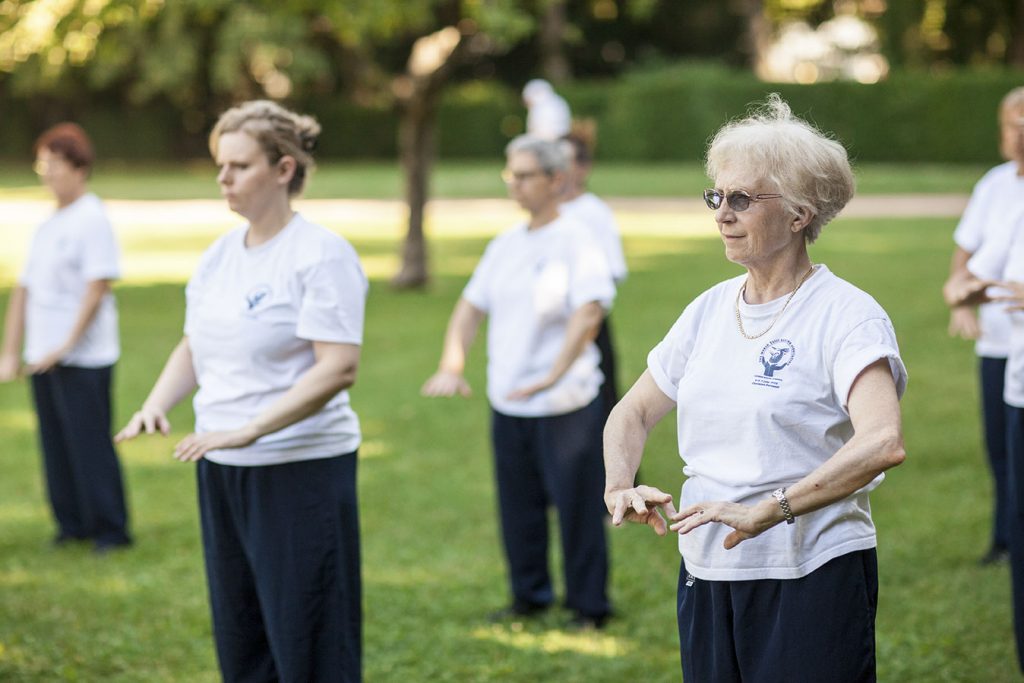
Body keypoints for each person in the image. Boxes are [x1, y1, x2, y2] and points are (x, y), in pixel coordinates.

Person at [603, 95, 907, 681]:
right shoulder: (708, 310)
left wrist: (770, 511)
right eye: (715, 196)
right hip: (707, 570)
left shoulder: (848, 315)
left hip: (810, 572)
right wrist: (620, 484)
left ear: (798, 215)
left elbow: (882, 442)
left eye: (741, 199)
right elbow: (634, 411)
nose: (721, 212)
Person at [114, 100, 367, 682]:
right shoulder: (219, 257)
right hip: (222, 463)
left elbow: (338, 368)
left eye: (239, 165)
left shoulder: (321, 254)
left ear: (283, 170)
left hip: (298, 468)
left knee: (309, 636)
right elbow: (194, 345)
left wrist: (252, 428)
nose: (223, 179)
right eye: (219, 166)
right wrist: (157, 403)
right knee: (241, 629)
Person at [422, 135, 615, 629]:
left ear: (556, 179)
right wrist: (451, 363)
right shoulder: (506, 244)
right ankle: (529, 596)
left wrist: (553, 373)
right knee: (519, 509)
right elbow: (470, 305)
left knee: (576, 511)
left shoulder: (577, 239)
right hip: (509, 403)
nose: (515, 184)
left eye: (526, 175)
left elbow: (589, 310)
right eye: (511, 173)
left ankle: (589, 606)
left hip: (565, 403)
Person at [0, 123, 132, 553]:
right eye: (42, 165)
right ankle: (71, 524)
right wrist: (11, 350)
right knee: (55, 444)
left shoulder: (91, 218)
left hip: (83, 358)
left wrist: (66, 345)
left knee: (88, 443)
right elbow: (24, 290)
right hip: (43, 357)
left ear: (78, 168)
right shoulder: (47, 225)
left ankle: (111, 529)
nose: (46, 173)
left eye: (54, 165)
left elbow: (98, 287)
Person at [942, 86, 1024, 566]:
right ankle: (1005, 537)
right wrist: (960, 302)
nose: (1017, 136)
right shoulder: (994, 185)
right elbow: (965, 256)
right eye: (1011, 125)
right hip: (997, 343)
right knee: (1000, 447)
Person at [560, 131, 627, 420]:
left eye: (564, 161)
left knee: (601, 404)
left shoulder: (593, 213)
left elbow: (612, 271)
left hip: (589, 321)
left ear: (583, 167)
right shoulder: (547, 212)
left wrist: (589, 320)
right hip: (553, 321)